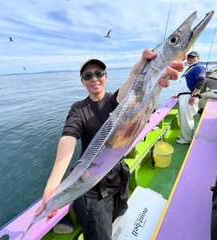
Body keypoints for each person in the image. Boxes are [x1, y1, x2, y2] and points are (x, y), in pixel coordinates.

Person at [34, 49, 184, 240]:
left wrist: (138, 74)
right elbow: (68, 139)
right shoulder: (78, 109)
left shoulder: (115, 101)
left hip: (118, 177)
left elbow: (129, 91)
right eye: (88, 75)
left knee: (118, 214)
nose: (94, 78)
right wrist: (53, 183)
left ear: (106, 76)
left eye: (99, 73)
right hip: (92, 187)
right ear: (82, 81)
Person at [173, 51, 205, 145]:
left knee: (187, 118)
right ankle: (186, 135)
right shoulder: (190, 68)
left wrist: (194, 95)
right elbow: (186, 84)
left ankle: (186, 139)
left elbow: (201, 81)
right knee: (184, 118)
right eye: (188, 57)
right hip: (184, 95)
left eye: (192, 57)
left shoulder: (198, 67)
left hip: (189, 96)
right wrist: (179, 94)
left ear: (198, 58)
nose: (190, 58)